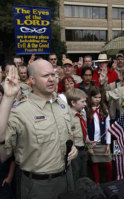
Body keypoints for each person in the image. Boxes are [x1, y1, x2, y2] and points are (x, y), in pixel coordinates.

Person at [0, 60, 78, 199]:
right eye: (45, 76)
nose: (51, 79)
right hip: (38, 185)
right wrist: (7, 97)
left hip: (67, 178)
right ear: (32, 80)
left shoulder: (61, 104)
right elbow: (2, 152)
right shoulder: (20, 111)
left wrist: (73, 148)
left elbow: (69, 134)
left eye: (53, 75)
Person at [86, 86, 112, 184]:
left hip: (103, 142)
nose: (98, 100)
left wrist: (108, 144)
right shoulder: (86, 110)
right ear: (90, 97)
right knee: (95, 164)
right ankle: (97, 183)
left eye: (99, 97)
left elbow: (108, 128)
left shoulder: (104, 110)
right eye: (95, 97)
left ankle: (109, 182)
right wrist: (88, 146)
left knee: (109, 164)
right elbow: (85, 130)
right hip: (92, 143)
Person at [65, 88, 88, 184]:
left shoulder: (82, 113)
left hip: (84, 148)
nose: (85, 104)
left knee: (84, 174)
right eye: (82, 101)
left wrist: (88, 141)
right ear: (73, 103)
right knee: (75, 175)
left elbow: (83, 130)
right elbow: (67, 134)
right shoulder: (67, 116)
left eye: (85, 101)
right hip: (74, 151)